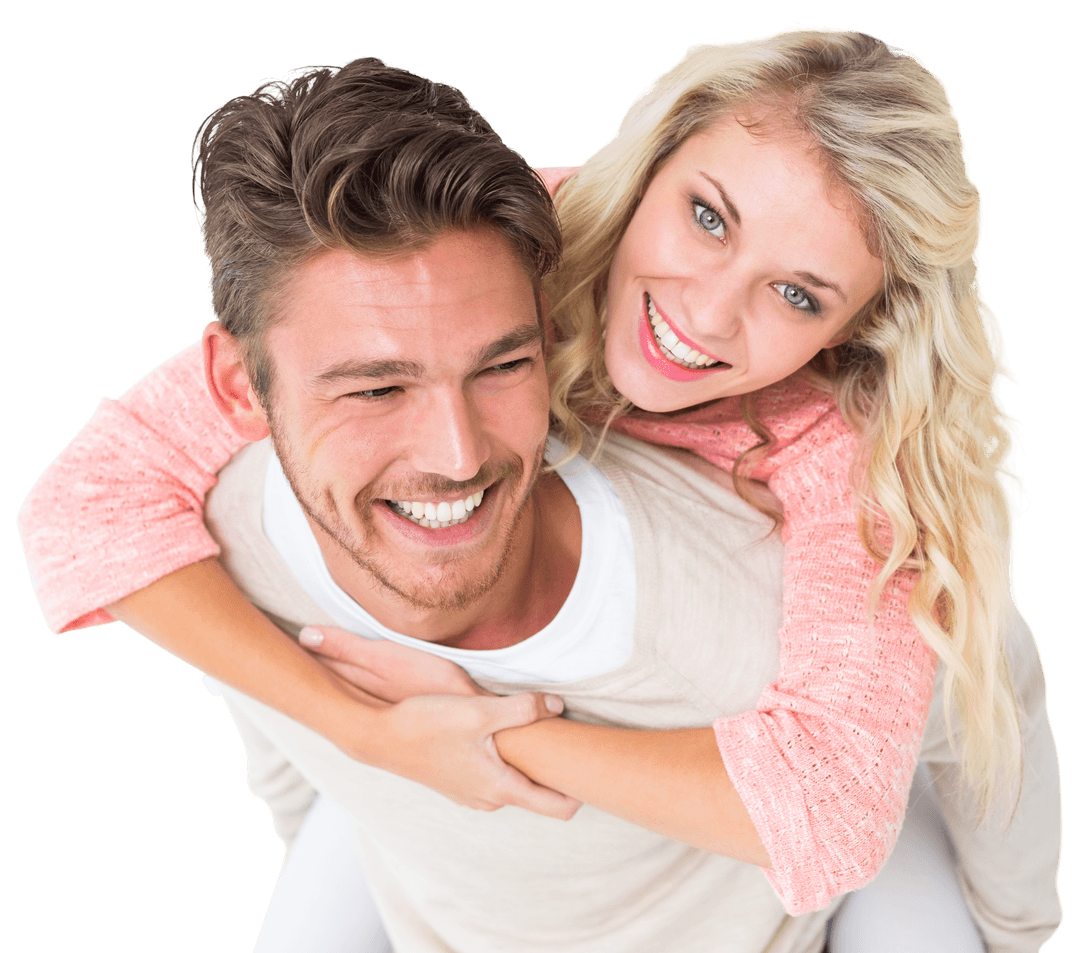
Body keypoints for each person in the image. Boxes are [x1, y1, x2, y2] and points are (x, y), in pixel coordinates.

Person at [16, 26, 1061, 951]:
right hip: (403, 798)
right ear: (651, 162)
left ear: (855, 327)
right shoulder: (487, 256)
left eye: (796, 293)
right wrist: (368, 733)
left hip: (863, 725)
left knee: (970, 637)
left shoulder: (843, 441)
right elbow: (86, 506)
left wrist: (492, 734)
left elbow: (831, 814)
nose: (705, 309)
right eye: (707, 217)